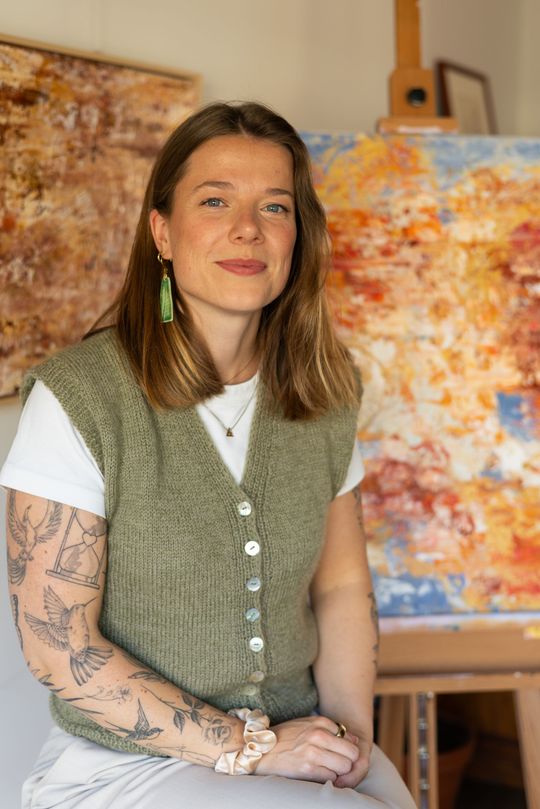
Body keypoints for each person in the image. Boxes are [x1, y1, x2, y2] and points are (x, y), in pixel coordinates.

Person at [2, 101, 416, 809]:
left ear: (297, 236)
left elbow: (342, 587)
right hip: (128, 763)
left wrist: (349, 736)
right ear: (162, 232)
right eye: (215, 200)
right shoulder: (81, 398)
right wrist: (250, 747)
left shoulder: (324, 389)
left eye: (275, 206)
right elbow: (58, 645)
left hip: (297, 737)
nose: (247, 228)